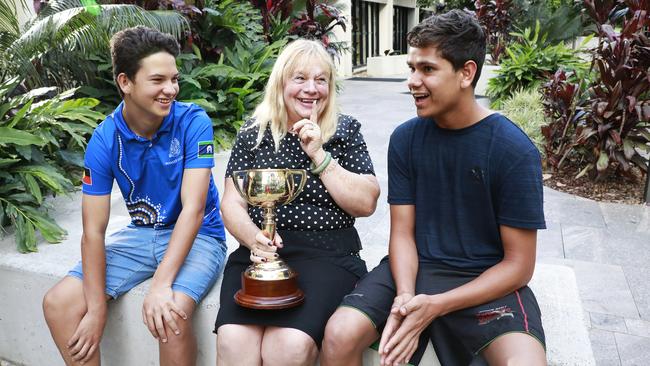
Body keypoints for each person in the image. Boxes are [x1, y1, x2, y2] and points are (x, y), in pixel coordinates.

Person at [321, 10, 547, 366]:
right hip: (415, 271)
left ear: (466, 73)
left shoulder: (513, 150)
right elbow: (402, 235)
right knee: (338, 335)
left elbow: (519, 266)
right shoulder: (405, 139)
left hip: (486, 279)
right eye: (412, 68)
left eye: (427, 69)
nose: (413, 81)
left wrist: (436, 305)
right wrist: (406, 298)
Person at [42, 26, 227, 365]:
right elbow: (93, 232)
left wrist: (161, 284)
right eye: (158, 80)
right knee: (58, 303)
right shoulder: (105, 138)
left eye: (174, 79)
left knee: (168, 314)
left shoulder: (193, 122)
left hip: (199, 236)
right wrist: (96, 310)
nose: (170, 89)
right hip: (142, 236)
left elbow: (194, 209)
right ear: (125, 82)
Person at [214, 39, 380, 366]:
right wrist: (253, 240)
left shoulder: (343, 131)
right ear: (281, 83)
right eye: (300, 78)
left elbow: (366, 203)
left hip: (328, 255)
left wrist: (319, 154)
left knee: (288, 346)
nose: (311, 89)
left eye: (321, 80)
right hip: (261, 255)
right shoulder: (253, 133)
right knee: (234, 342)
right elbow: (231, 203)